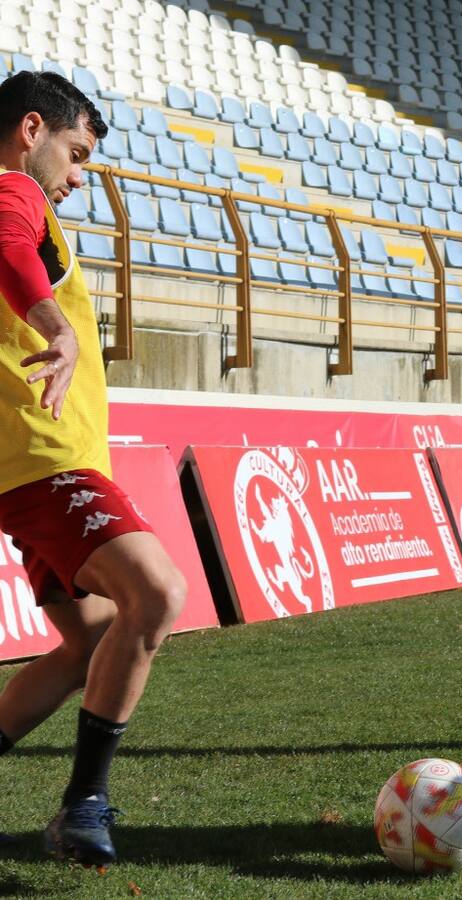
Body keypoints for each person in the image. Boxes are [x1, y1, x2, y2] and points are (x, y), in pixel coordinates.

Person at [0, 71, 187, 866]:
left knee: (93, 639)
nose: (79, 177)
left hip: (33, 464)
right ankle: (84, 803)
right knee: (157, 592)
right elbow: (7, 244)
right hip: (45, 463)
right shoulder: (14, 188)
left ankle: (79, 805)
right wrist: (58, 326)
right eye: (76, 155)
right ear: (31, 128)